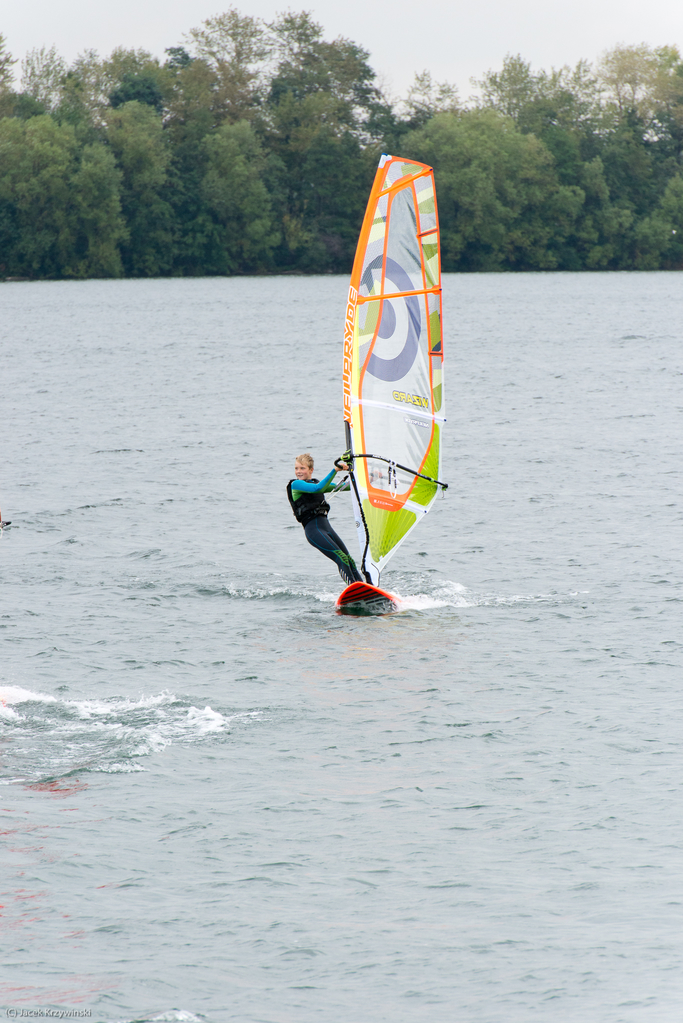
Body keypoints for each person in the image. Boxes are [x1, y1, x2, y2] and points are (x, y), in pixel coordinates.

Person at [287, 452, 363, 585]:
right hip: (314, 531)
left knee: (349, 559)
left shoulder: (316, 483)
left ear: (311, 470)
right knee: (341, 558)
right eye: (296, 468)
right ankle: (353, 587)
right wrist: (335, 470)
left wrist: (371, 479)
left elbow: (345, 487)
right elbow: (318, 488)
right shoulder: (296, 485)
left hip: (326, 528)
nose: (298, 471)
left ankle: (365, 587)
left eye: (302, 468)